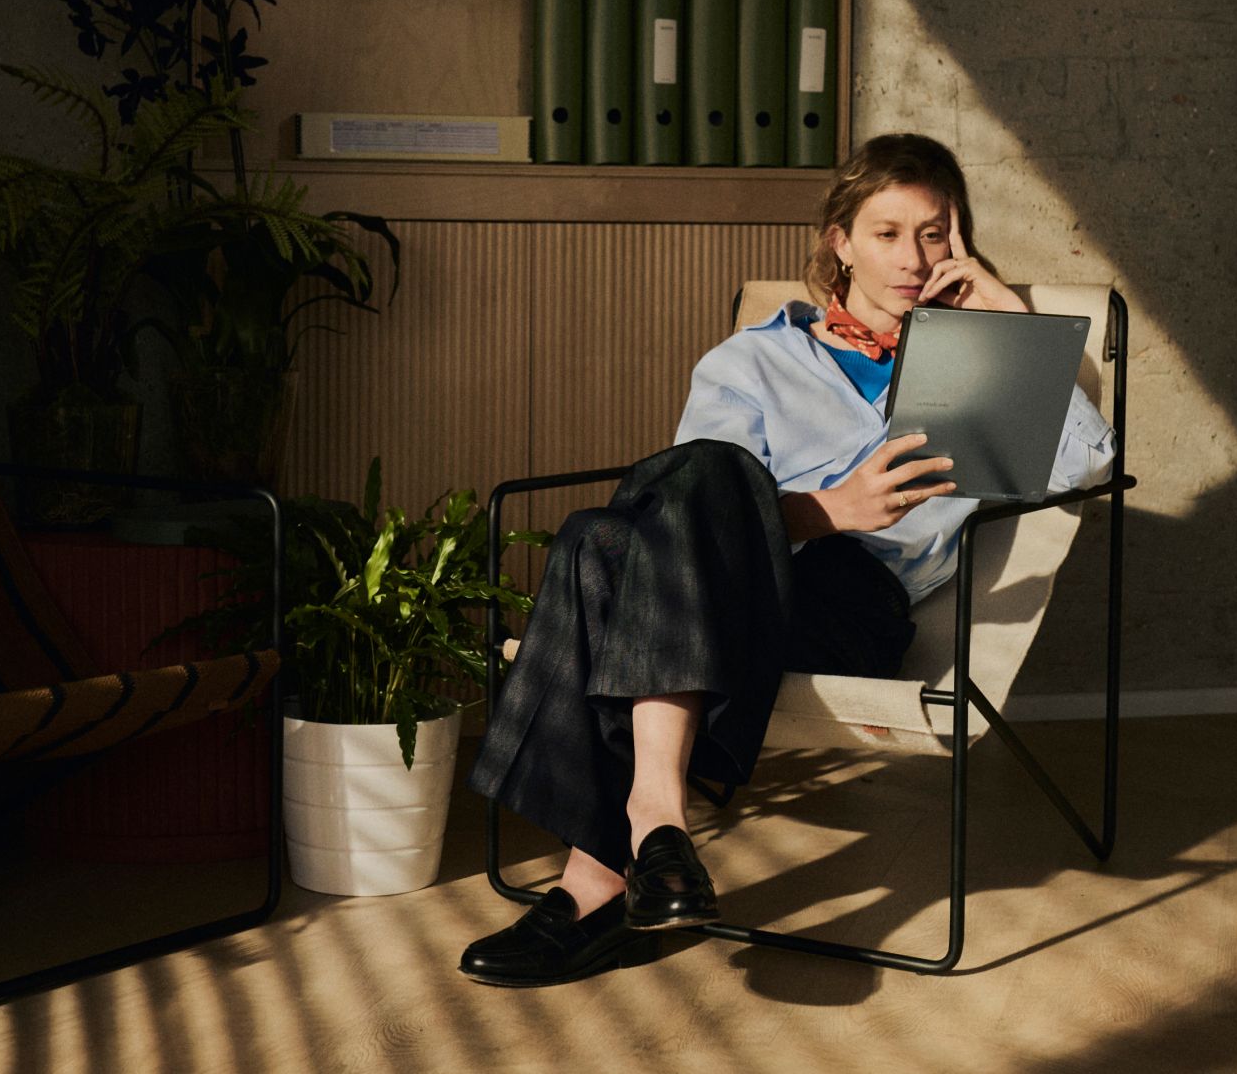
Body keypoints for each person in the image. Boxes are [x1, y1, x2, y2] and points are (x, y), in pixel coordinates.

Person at [459, 133, 1117, 987]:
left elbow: (1087, 467)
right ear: (839, 241)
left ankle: (604, 870)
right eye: (887, 233)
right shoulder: (755, 359)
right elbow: (686, 517)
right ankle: (649, 841)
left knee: (595, 540)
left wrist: (1014, 330)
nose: (913, 258)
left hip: (851, 607)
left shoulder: (981, 372)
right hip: (725, 594)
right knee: (687, 486)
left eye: (934, 232)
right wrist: (827, 509)